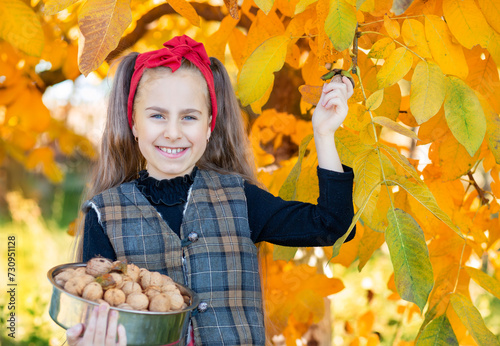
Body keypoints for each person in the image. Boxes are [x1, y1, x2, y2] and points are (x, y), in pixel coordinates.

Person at [67, 35, 355, 346]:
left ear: (208, 127)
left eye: (189, 117)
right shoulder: (105, 213)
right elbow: (97, 312)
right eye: (157, 115)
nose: (173, 132)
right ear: (134, 123)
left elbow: (332, 226)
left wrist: (324, 133)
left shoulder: (241, 199)